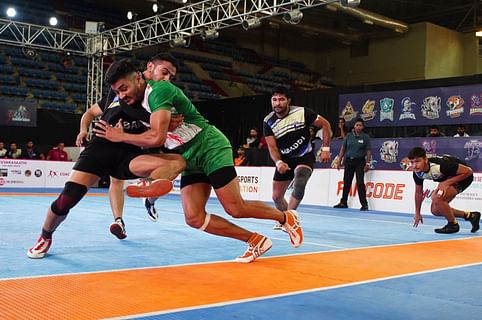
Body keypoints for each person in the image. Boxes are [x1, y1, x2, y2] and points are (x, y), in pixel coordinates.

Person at [93, 57, 303, 263]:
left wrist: (120, 136)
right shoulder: (129, 102)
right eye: (118, 91)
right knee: (194, 218)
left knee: (235, 208)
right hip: (185, 156)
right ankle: (255, 240)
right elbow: (99, 113)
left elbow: (156, 137)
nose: (121, 95)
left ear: (138, 78)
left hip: (208, 146)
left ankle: (286, 218)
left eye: (123, 89)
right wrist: (87, 129)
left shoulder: (159, 91)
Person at [26, 87, 186, 259]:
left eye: (169, 74)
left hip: (127, 155)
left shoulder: (154, 104)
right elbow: (88, 113)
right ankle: (45, 236)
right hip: (98, 152)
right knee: (66, 199)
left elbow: (154, 137)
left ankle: (147, 191)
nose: (166, 78)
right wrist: (83, 130)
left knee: (178, 162)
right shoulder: (113, 99)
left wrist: (166, 127)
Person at [263, 86, 331, 231]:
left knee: (300, 181)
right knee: (276, 197)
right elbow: (272, 147)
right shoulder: (268, 121)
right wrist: (278, 162)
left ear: (288, 100)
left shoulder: (302, 112)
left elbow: (325, 124)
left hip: (304, 157)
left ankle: (290, 220)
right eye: (274, 100)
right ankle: (287, 219)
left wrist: (325, 149)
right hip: (285, 159)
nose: (277, 103)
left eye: (281, 99)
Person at [407, 147, 480, 234]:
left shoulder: (440, 165)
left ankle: (453, 224)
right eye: (412, 162)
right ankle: (471, 216)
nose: (414, 165)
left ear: (425, 160)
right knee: (436, 210)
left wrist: (446, 183)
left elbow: (468, 171)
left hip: (463, 177)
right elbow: (418, 192)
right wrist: (417, 213)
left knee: (436, 197)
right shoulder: (417, 173)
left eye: (418, 161)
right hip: (449, 178)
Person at [333, 118, 372, 211]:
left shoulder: (365, 137)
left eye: (360, 125)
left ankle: (364, 204)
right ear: (354, 126)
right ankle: (343, 202)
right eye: (357, 125)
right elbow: (343, 149)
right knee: (346, 182)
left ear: (363, 127)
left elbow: (368, 151)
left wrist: (368, 163)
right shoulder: (349, 136)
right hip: (349, 161)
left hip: (360, 162)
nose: (358, 127)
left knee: (360, 182)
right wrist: (339, 161)